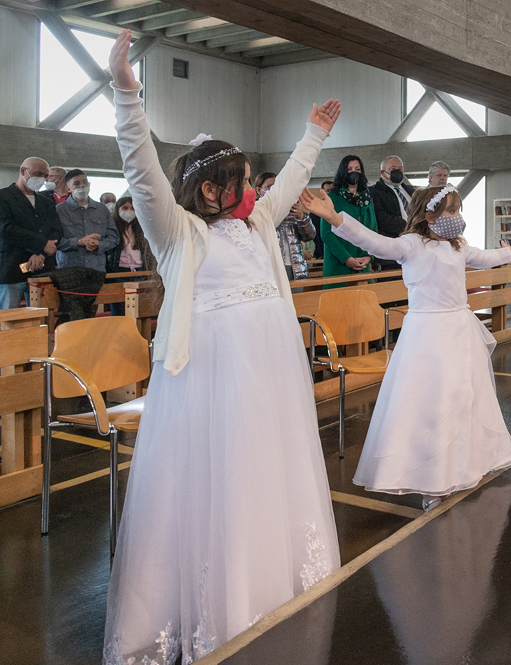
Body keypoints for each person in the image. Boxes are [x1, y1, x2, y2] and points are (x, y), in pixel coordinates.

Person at [103, 29, 340, 665]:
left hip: (267, 377)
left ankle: (269, 582)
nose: (252, 191)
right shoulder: (177, 233)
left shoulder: (256, 224)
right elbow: (142, 173)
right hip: (212, 380)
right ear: (210, 189)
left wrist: (313, 135)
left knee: (266, 473)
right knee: (219, 482)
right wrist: (126, 94)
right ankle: (223, 605)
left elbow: (290, 184)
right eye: (240, 182)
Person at [298, 182, 511, 511]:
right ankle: (431, 480)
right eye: (451, 210)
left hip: (459, 331)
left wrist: (507, 254)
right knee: (430, 404)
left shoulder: (458, 246)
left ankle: (462, 465)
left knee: (462, 398)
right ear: (429, 215)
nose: (457, 217)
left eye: (458, 210)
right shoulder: (413, 245)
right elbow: (376, 243)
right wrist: (335, 218)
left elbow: (482, 258)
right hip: (427, 335)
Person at [54, 169, 119, 324]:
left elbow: (114, 237)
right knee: (71, 315)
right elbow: (55, 241)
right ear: (68, 188)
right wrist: (79, 241)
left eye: (84, 182)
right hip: (70, 270)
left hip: (96, 268)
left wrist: (99, 244)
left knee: (90, 314)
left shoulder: (101, 209)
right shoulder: (59, 210)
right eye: (76, 183)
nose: (82, 186)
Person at [0, 157, 61, 309]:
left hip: (42, 266)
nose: (42, 179)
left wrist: (41, 253)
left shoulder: (46, 201)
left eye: (45, 176)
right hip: (12, 266)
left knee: (42, 316)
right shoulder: (3, 197)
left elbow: (56, 230)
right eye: (37, 174)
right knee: (9, 315)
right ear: (23, 171)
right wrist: (41, 244)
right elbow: (6, 229)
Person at [320, 155, 377, 284]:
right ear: (342, 172)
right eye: (349, 169)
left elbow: (373, 230)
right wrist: (346, 258)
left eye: (357, 169)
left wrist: (369, 256)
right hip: (338, 264)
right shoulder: (332, 198)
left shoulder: (367, 199)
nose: (354, 172)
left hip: (362, 264)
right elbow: (326, 233)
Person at [255, 172, 316, 281]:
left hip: (296, 267)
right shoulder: (256, 211)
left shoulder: (292, 207)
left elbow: (309, 236)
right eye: (269, 187)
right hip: (270, 268)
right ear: (259, 190)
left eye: (276, 187)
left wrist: (301, 217)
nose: (273, 191)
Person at [106, 196, 153, 316]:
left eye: (132, 208)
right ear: (118, 210)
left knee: (141, 310)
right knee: (119, 310)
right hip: (120, 271)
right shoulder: (112, 228)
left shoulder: (142, 227)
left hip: (139, 271)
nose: (129, 211)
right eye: (125, 208)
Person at [371, 155, 413, 270]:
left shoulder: (411, 191)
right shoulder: (374, 192)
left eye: (400, 169)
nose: (397, 172)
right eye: (393, 169)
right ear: (383, 172)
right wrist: (407, 227)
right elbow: (380, 217)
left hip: (415, 247)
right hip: (391, 251)